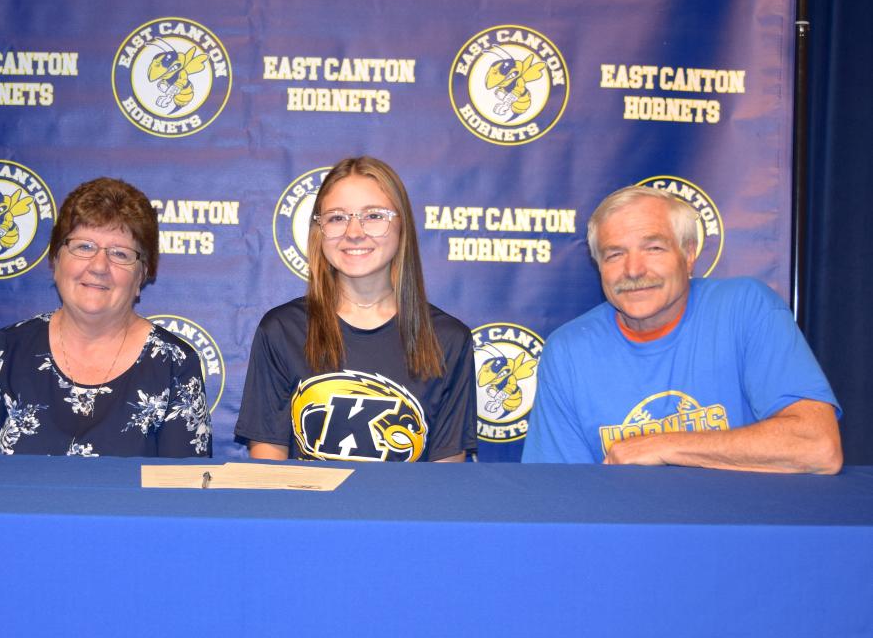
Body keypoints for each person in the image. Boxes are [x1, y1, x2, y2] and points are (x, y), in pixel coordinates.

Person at [523, 185, 842, 473]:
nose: (633, 270)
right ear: (599, 266)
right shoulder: (569, 349)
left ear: (688, 255)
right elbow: (556, 491)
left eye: (654, 248)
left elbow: (818, 447)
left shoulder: (745, 309)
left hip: (740, 528)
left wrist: (661, 446)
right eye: (615, 254)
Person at [236, 156, 476, 462]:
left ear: (402, 225)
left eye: (373, 215)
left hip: (407, 510)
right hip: (307, 510)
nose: (354, 231)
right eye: (336, 218)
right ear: (318, 231)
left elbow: (446, 476)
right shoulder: (282, 330)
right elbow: (268, 465)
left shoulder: (448, 339)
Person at [0, 177, 211, 457]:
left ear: (142, 275)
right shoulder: (4, 353)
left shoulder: (175, 365)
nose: (99, 266)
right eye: (84, 247)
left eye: (120, 253)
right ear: (55, 259)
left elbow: (183, 495)